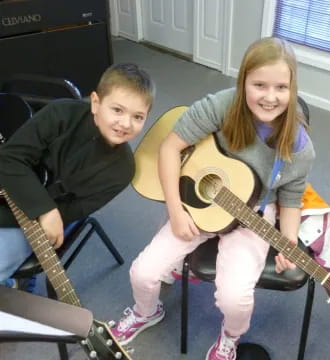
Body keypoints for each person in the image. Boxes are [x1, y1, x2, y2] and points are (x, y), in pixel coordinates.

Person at [111, 37, 315, 360]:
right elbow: (169, 148)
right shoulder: (223, 105)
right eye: (259, 85)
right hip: (196, 206)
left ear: (293, 88)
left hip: (254, 215)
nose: (270, 97)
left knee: (234, 298)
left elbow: (291, 199)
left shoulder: (299, 147)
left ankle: (230, 337)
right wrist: (176, 212)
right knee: (142, 272)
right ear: (242, 80)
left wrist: (289, 239)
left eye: (281, 87)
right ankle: (146, 311)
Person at [0, 63, 155, 288]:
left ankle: (16, 288)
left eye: (138, 117)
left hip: (33, 222)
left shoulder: (123, 170)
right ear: (95, 103)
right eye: (117, 110)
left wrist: (45, 213)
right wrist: (45, 208)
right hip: (19, 191)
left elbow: (77, 210)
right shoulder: (61, 113)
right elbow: (10, 158)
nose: (125, 124)